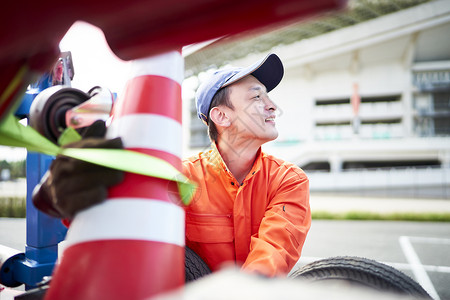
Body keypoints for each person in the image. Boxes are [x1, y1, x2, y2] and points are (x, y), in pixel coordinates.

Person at [33, 53, 311, 278]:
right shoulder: (178, 176)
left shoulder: (288, 179)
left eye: (268, 96)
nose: (272, 105)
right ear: (221, 116)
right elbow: (125, 225)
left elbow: (275, 250)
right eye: (257, 97)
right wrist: (71, 198)